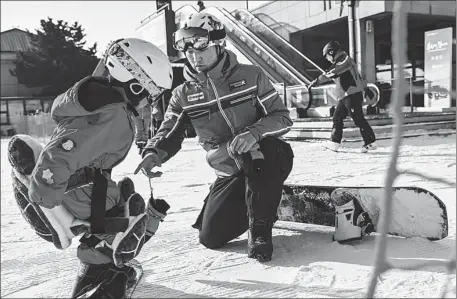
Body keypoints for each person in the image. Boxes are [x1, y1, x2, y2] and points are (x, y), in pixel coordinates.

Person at [7, 38, 173, 298]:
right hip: (75, 190)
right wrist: (45, 199)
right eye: (153, 94)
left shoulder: (95, 101)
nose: (150, 103)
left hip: (80, 185)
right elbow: (62, 152)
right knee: (131, 214)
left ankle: (94, 268)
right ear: (136, 86)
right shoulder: (111, 115)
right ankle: (106, 277)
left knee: (121, 199)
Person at [135, 12, 294, 262]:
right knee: (210, 237)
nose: (194, 57)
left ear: (219, 45)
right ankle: (262, 201)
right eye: (188, 51)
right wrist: (153, 153)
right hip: (230, 170)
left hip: (267, 155)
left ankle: (260, 231)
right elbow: (169, 132)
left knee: (263, 151)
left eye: (201, 49)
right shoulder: (182, 94)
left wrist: (254, 133)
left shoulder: (252, 75)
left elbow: (282, 117)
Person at [309, 40, 376, 153]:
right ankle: (334, 142)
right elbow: (358, 77)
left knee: (358, 119)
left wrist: (317, 81)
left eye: (326, 56)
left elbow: (334, 72)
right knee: (337, 118)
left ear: (331, 52)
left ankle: (370, 143)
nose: (327, 59)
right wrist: (366, 88)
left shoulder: (344, 59)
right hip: (344, 96)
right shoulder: (339, 62)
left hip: (352, 94)